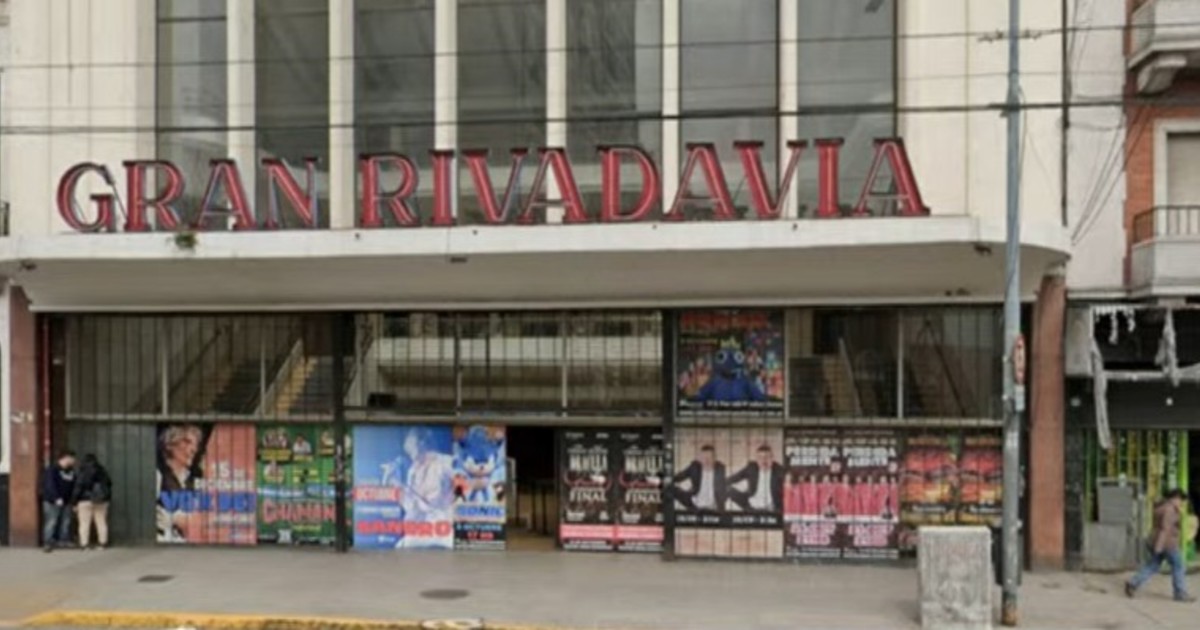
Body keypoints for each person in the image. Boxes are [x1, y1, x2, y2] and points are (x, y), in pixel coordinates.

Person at [1126, 488, 1196, 602]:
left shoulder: (1161, 507)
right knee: (1179, 566)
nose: (1182, 503)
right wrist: (1159, 547)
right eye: (1181, 500)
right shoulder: (1170, 510)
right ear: (1175, 498)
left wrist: (1157, 546)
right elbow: (1165, 529)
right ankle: (1180, 593)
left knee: (1153, 565)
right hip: (1168, 543)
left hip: (1156, 540)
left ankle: (1133, 583)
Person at [726, 444, 785, 512]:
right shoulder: (752, 468)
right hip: (751, 506)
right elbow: (734, 478)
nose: (763, 460)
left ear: (772, 458)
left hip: (771, 509)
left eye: (767, 457)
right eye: (760, 457)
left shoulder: (779, 470)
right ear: (757, 459)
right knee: (726, 488)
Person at [72, 453, 113, 550]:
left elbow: (78, 487)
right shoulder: (102, 471)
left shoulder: (82, 471)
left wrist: (74, 501)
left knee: (84, 523)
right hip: (101, 500)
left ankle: (84, 544)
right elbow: (109, 484)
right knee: (101, 522)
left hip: (84, 500)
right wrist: (107, 498)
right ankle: (102, 543)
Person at [670, 445, 727, 512]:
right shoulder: (694, 467)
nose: (706, 461)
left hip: (713, 507)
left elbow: (722, 488)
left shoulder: (720, 469)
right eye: (704, 458)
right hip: (695, 504)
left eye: (709, 458)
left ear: (714, 458)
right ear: (700, 458)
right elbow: (678, 477)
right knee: (669, 488)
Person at [40, 450, 77, 552]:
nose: (74, 461)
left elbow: (73, 485)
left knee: (66, 521)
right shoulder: (52, 470)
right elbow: (50, 484)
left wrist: (72, 500)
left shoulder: (71, 471)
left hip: (66, 501)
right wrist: (56, 497)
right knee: (52, 521)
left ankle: (63, 540)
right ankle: (48, 542)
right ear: (66, 458)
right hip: (52, 501)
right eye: (72, 458)